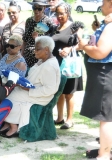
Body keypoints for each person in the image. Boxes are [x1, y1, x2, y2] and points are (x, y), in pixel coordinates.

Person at [0, 36, 60, 138]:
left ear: (47, 50)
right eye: (34, 48)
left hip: (41, 96)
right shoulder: (42, 60)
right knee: (6, 92)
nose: (34, 51)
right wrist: (21, 82)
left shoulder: (50, 65)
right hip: (30, 90)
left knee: (8, 97)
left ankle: (14, 126)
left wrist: (29, 89)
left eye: (37, 49)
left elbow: (51, 89)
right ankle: (8, 123)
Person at [77, 0, 112, 159]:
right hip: (104, 74)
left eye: (103, 2)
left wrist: (84, 45)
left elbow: (100, 53)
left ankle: (104, 155)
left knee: (106, 118)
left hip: (106, 75)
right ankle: (105, 150)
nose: (100, 5)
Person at [51, 3, 83, 129]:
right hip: (56, 63)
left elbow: (82, 43)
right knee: (59, 92)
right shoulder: (55, 27)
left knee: (69, 93)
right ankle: (59, 118)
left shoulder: (76, 26)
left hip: (69, 64)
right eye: (57, 13)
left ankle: (69, 120)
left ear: (68, 13)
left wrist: (70, 48)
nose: (59, 16)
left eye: (61, 13)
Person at [21, 0, 53, 68]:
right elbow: (25, 40)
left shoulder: (48, 22)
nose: (36, 11)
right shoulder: (29, 20)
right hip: (27, 55)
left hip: (39, 57)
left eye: (39, 8)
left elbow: (49, 43)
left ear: (44, 8)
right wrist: (21, 54)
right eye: (34, 8)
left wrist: (37, 38)